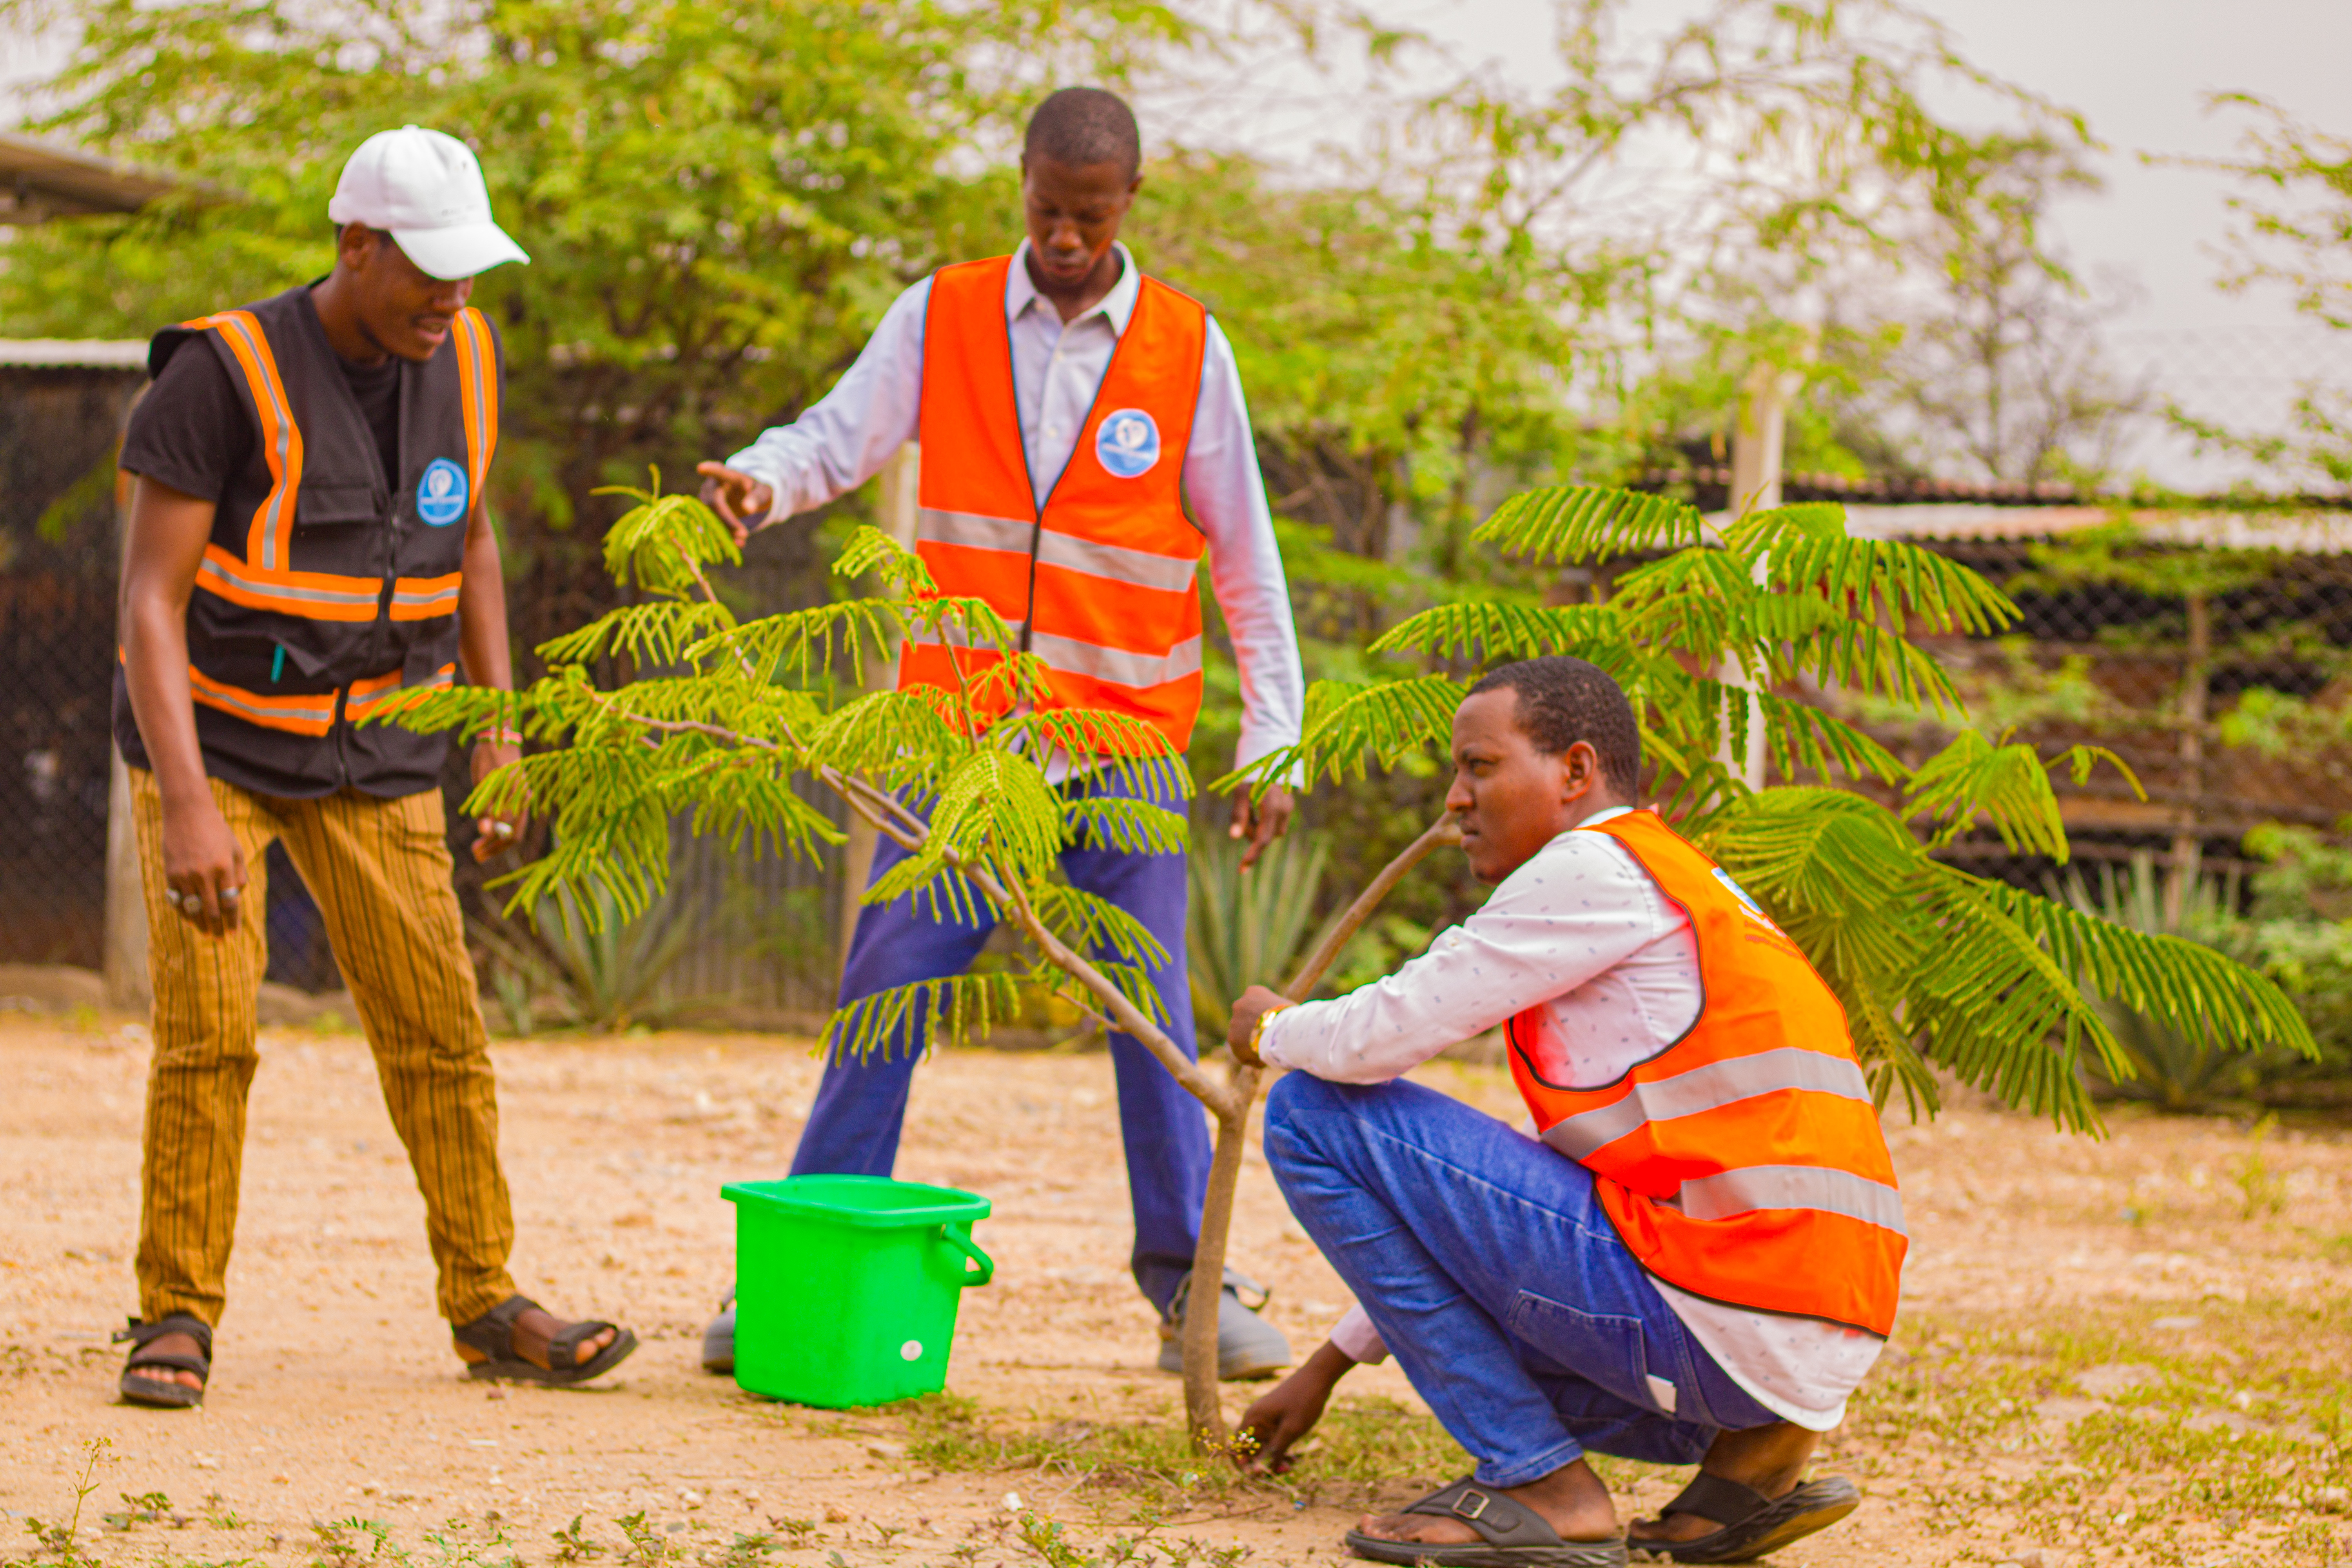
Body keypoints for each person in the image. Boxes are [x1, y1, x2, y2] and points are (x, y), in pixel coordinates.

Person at [695, 86, 1305, 1381]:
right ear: (1020, 186)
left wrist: (1276, 737)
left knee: (1147, 1014)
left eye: (1091, 214)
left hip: (1123, 748)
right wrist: (764, 477)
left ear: (1131, 203)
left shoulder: (1192, 351)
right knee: (885, 992)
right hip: (964, 746)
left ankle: (1194, 1290)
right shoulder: (945, 312)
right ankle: (801, 1260)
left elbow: (1246, 557)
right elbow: (837, 437)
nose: (1068, 236)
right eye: (1047, 209)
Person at [109, 125, 637, 1408]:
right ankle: (176, 1309)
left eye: (469, 273)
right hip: (222, 743)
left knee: (440, 1034)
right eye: (429, 271)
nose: (453, 298)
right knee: (212, 1036)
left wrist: (498, 731)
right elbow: (144, 602)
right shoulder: (221, 374)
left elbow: (475, 552)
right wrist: (187, 805)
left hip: (387, 742)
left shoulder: (463, 352)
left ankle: (486, 1299)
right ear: (357, 247)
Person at [1223, 656, 1904, 1566]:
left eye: (1480, 765)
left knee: (1313, 1109)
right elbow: (1485, 1215)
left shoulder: (1594, 866)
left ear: (1576, 772)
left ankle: (1542, 1481)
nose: (1456, 798)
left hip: (1718, 1319)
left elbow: (1373, 1039)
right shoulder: (1684, 882)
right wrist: (1330, 1362)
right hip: (1785, 1347)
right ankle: (1750, 1468)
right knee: (1423, 1154)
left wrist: (1269, 1025)